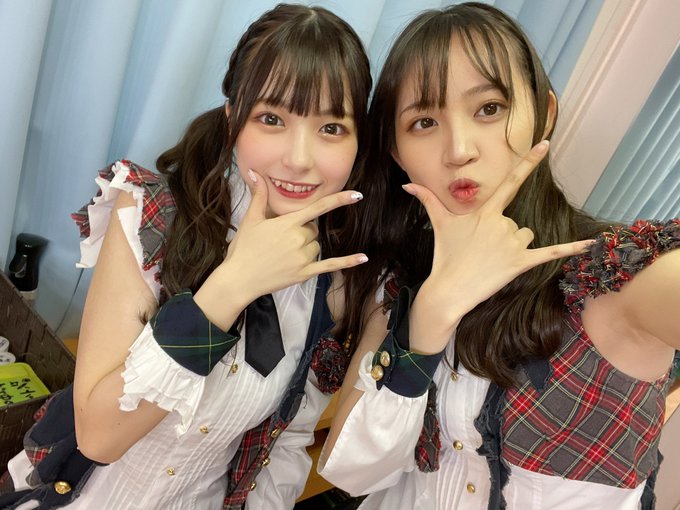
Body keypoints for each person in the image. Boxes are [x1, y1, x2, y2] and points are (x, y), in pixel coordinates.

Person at [1, 4, 374, 509]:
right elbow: (98, 436)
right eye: (271, 119)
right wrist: (232, 286)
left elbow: (284, 441)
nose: (300, 158)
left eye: (331, 128)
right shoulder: (154, 217)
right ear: (232, 119)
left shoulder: (333, 278)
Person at [319, 3, 680, 509]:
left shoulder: (616, 273)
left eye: (489, 109)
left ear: (544, 115)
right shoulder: (404, 281)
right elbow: (350, 471)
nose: (459, 149)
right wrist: (430, 317)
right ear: (397, 154)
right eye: (424, 121)